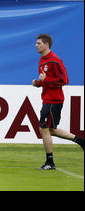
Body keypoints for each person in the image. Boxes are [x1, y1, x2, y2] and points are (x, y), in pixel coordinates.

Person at [32, 33, 84, 170]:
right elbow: (47, 81)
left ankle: (50, 162)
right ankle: (80, 141)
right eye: (36, 43)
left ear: (46, 44)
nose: (36, 45)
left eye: (39, 43)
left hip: (53, 100)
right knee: (50, 130)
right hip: (47, 98)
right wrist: (39, 84)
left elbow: (64, 81)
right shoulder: (41, 59)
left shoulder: (55, 60)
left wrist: (45, 80)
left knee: (43, 128)